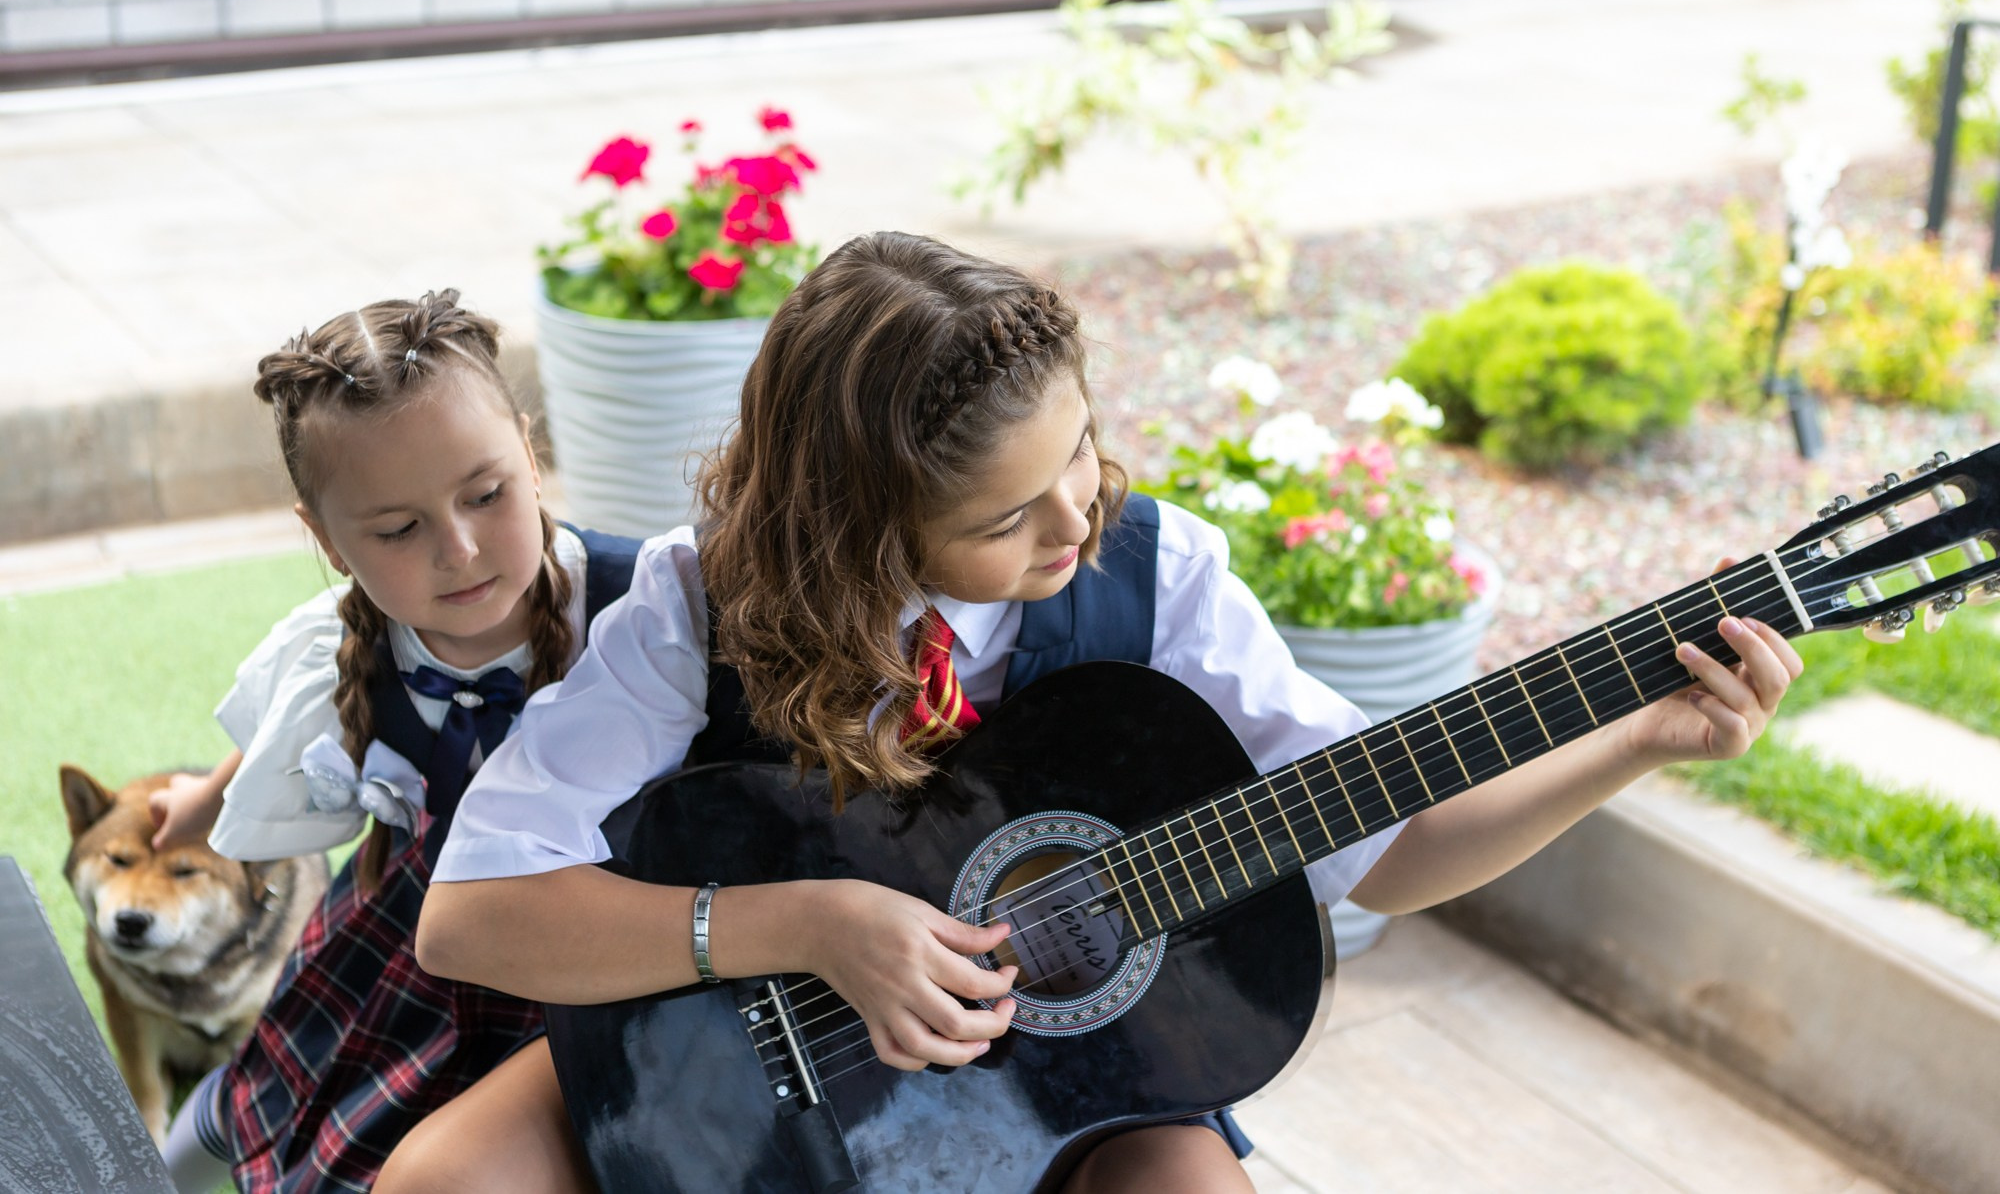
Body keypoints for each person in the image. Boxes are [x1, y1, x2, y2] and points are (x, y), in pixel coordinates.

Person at [410, 232, 1802, 1194]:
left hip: (1066, 1099)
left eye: (1077, 445)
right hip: (728, 1056)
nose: (1076, 515)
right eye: (1005, 515)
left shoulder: (1160, 579)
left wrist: (1637, 740)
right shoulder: (698, 605)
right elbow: (470, 915)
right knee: (443, 1181)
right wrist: (809, 925)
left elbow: (1385, 844)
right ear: (859, 525)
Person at [150, 292, 642, 1194]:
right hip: (406, 935)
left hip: (593, 940)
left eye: (486, 494)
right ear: (326, 539)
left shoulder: (643, 608)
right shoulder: (340, 650)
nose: (459, 548)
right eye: (399, 528)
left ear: (530, 456)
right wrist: (194, 807)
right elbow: (281, 739)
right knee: (285, 1091)